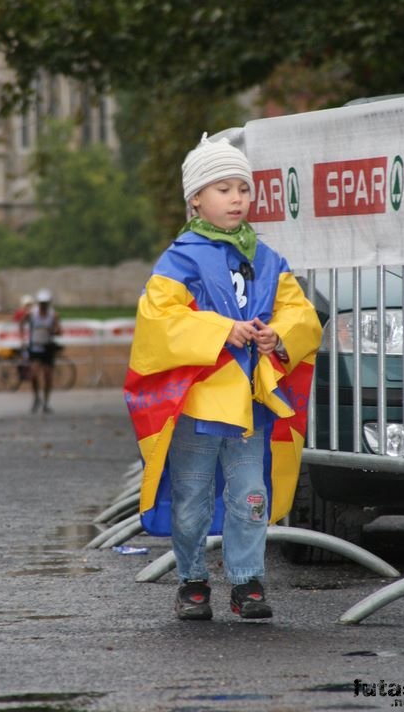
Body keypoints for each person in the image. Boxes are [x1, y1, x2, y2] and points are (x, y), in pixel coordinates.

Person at [124, 133, 322, 621]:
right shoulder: (179, 259)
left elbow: (300, 312)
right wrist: (222, 329)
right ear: (196, 198)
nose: (237, 199)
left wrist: (278, 335)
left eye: (243, 189)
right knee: (191, 499)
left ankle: (247, 583)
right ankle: (192, 579)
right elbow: (158, 319)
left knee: (251, 496)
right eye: (223, 189)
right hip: (198, 405)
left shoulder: (270, 260)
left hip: (252, 406)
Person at [19, 288, 61, 414]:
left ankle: (46, 402)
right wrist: (23, 338)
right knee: (34, 374)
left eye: (45, 303)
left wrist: (53, 331)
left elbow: (59, 330)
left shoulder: (53, 315)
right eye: (41, 303)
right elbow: (21, 323)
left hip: (47, 348)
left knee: (48, 376)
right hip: (35, 348)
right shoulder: (32, 313)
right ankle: (37, 397)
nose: (43, 306)